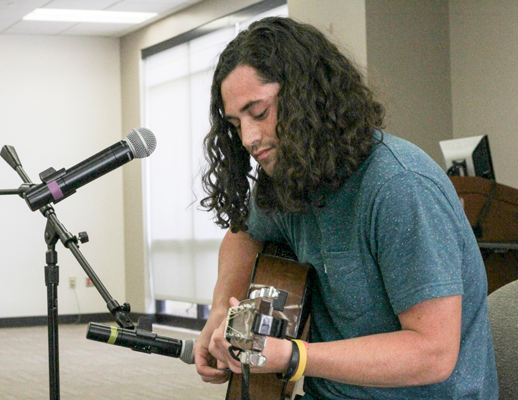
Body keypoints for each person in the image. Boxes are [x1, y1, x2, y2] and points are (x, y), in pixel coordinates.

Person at [193, 16, 498, 399]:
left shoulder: (399, 185)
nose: (249, 138)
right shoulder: (292, 174)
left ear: (308, 97)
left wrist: (293, 356)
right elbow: (244, 234)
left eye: (260, 112)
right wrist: (222, 308)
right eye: (237, 124)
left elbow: (432, 353)